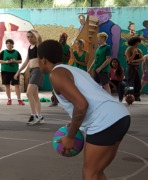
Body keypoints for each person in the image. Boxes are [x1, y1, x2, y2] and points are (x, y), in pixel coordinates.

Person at [38, 39, 130, 180]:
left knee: (90, 174)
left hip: (104, 121)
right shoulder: (75, 70)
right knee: (97, 172)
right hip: (120, 116)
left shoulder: (55, 74)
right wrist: (77, 123)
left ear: (43, 60)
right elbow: (90, 99)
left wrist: (70, 136)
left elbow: (81, 105)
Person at [14, 30, 43, 125]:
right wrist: (18, 71)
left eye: (31, 36)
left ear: (35, 37)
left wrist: (36, 33)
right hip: (31, 71)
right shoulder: (30, 47)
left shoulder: (39, 46)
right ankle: (39, 115)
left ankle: (33, 115)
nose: (29, 39)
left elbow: (39, 39)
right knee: (35, 96)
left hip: (38, 71)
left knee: (28, 93)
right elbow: (26, 61)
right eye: (28, 37)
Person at [0, 39, 25, 106]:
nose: (9, 45)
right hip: (5, 71)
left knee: (17, 85)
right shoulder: (3, 52)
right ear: (6, 45)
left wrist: (15, 61)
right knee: (7, 85)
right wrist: (6, 62)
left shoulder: (16, 52)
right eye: (7, 43)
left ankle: (19, 99)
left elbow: (20, 61)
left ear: (12, 45)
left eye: (10, 43)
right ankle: (9, 99)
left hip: (14, 72)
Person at [125, 37, 144, 101]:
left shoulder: (139, 50)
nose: (139, 43)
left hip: (137, 67)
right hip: (131, 68)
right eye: (138, 42)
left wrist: (134, 61)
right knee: (130, 82)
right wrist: (134, 54)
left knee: (138, 82)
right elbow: (129, 60)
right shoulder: (128, 50)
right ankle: (129, 96)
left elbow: (142, 59)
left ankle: (137, 96)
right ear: (136, 42)